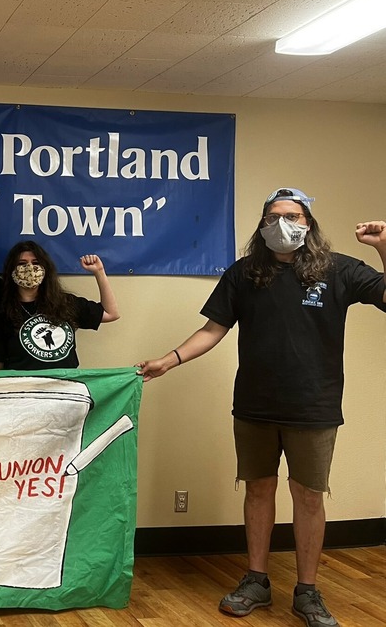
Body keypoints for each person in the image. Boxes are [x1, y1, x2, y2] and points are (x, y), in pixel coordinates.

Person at [135, 188, 386, 627]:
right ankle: (257, 580)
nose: (282, 224)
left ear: (308, 223)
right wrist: (169, 360)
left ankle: (307, 592)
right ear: (262, 224)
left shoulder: (338, 269)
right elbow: (213, 329)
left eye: (291, 216)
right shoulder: (245, 273)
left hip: (314, 405)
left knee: (308, 497)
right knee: (258, 489)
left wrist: (384, 246)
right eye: (273, 216)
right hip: (254, 404)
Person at [0, 241, 119, 370]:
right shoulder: (2, 313)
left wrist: (99, 272)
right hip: (24, 390)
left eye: (36, 263)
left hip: (65, 388)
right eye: (22, 263)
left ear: (45, 269)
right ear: (12, 270)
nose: (30, 268)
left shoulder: (65, 303)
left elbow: (111, 313)